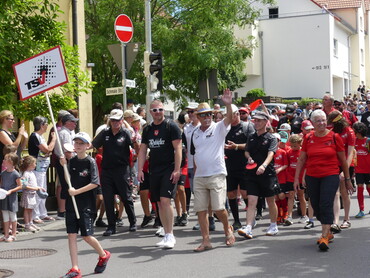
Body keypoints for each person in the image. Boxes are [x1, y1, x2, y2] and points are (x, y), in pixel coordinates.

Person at [293, 109, 354, 251]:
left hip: (330, 175)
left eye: (323, 120)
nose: (321, 123)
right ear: (313, 123)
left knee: (326, 203)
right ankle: (328, 230)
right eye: (318, 121)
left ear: (326, 121)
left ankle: (324, 235)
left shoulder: (334, 137)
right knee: (315, 204)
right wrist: (297, 178)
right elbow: (302, 159)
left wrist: (347, 178)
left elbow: (343, 160)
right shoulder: (308, 138)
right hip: (312, 176)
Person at [60, 132, 110, 278]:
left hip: (85, 204)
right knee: (71, 235)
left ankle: (103, 254)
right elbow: (68, 179)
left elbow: (95, 183)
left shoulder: (91, 162)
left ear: (88, 146)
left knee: (87, 236)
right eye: (76, 143)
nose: (78, 145)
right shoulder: (72, 161)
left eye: (81, 143)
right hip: (71, 203)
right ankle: (75, 268)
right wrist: (64, 166)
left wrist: (76, 192)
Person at [191, 90, 236, 252]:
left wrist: (228, 104)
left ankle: (227, 229)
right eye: (203, 115)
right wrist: (196, 173)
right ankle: (206, 240)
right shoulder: (195, 133)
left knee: (218, 209)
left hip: (217, 174)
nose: (207, 117)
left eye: (209, 114)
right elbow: (196, 154)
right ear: (198, 117)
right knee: (201, 210)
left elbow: (229, 118)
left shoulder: (218, 128)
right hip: (200, 176)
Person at [137, 100, 182, 249]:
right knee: (158, 203)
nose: (158, 112)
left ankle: (170, 235)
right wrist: (140, 170)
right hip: (154, 170)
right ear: (150, 112)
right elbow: (143, 150)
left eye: (160, 109)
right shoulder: (148, 129)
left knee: (165, 200)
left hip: (169, 168)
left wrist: (177, 169)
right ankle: (166, 231)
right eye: (155, 110)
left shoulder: (171, 126)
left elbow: (178, 149)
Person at [92, 109, 138, 236]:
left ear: (122, 121)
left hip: (122, 170)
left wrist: (136, 144)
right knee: (108, 199)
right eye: (113, 120)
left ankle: (132, 222)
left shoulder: (126, 133)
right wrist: (79, 146)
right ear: (110, 121)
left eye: (118, 120)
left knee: (126, 197)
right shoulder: (105, 133)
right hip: (107, 170)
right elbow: (93, 144)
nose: (115, 122)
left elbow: (135, 147)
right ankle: (111, 226)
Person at [238, 111, 280, 239]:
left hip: (267, 174)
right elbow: (246, 151)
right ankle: (249, 227)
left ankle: (273, 225)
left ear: (266, 122)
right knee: (251, 201)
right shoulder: (251, 136)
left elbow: (271, 154)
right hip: (252, 173)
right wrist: (249, 158)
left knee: (270, 201)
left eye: (259, 121)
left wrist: (263, 166)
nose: (256, 123)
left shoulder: (271, 138)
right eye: (255, 120)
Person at [224, 104, 255, 230]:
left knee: (245, 193)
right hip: (229, 166)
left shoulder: (247, 126)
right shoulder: (224, 128)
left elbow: (252, 144)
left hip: (244, 165)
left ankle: (251, 218)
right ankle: (236, 221)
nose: (232, 117)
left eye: (234, 114)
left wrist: (236, 146)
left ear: (237, 114)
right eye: (229, 115)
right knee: (231, 194)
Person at [327, 110, 355, 232]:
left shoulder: (349, 132)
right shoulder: (332, 131)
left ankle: (347, 219)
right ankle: (335, 221)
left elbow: (350, 154)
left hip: (347, 165)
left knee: (344, 192)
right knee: (335, 192)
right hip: (334, 164)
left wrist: (345, 170)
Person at [28, 116, 56, 224]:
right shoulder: (35, 136)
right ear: (41, 125)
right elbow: (47, 149)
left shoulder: (41, 137)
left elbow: (47, 151)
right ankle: (35, 215)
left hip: (42, 168)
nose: (47, 126)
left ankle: (42, 213)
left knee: (43, 190)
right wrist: (54, 139)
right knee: (38, 191)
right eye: (46, 124)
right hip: (37, 168)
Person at [54, 113, 79, 220]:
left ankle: (65, 209)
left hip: (66, 161)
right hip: (65, 161)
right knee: (66, 185)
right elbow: (68, 151)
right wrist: (76, 161)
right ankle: (62, 211)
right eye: (73, 122)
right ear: (67, 123)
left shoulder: (68, 132)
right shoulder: (64, 133)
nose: (75, 124)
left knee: (67, 185)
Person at [19, 156, 45, 232]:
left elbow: (33, 184)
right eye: (34, 163)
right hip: (28, 194)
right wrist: (35, 188)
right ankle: (27, 224)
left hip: (32, 194)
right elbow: (24, 186)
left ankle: (30, 222)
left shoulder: (31, 173)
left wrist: (39, 187)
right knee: (27, 209)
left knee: (30, 209)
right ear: (29, 164)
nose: (35, 165)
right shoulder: (26, 174)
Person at [0, 153, 22, 242]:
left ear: (11, 162)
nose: (3, 161)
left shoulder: (16, 174)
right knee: (5, 215)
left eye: (5, 159)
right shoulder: (3, 173)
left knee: (12, 215)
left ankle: (13, 234)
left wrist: (11, 191)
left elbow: (20, 186)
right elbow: (1, 184)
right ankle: (6, 234)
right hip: (4, 197)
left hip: (12, 197)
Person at [352, 122, 370, 218]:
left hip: (369, 170)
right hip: (359, 170)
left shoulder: (368, 141)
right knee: (360, 189)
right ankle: (361, 210)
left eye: (355, 130)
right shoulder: (353, 141)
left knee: (369, 188)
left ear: (359, 131)